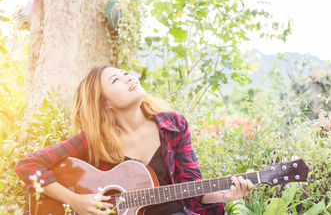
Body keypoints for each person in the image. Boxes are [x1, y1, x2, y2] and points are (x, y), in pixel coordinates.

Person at [15, 65, 254, 215]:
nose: (127, 77)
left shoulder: (173, 125)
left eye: (124, 73)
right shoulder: (94, 141)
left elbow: (193, 187)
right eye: (115, 80)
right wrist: (75, 201)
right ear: (104, 103)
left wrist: (226, 195)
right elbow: (27, 165)